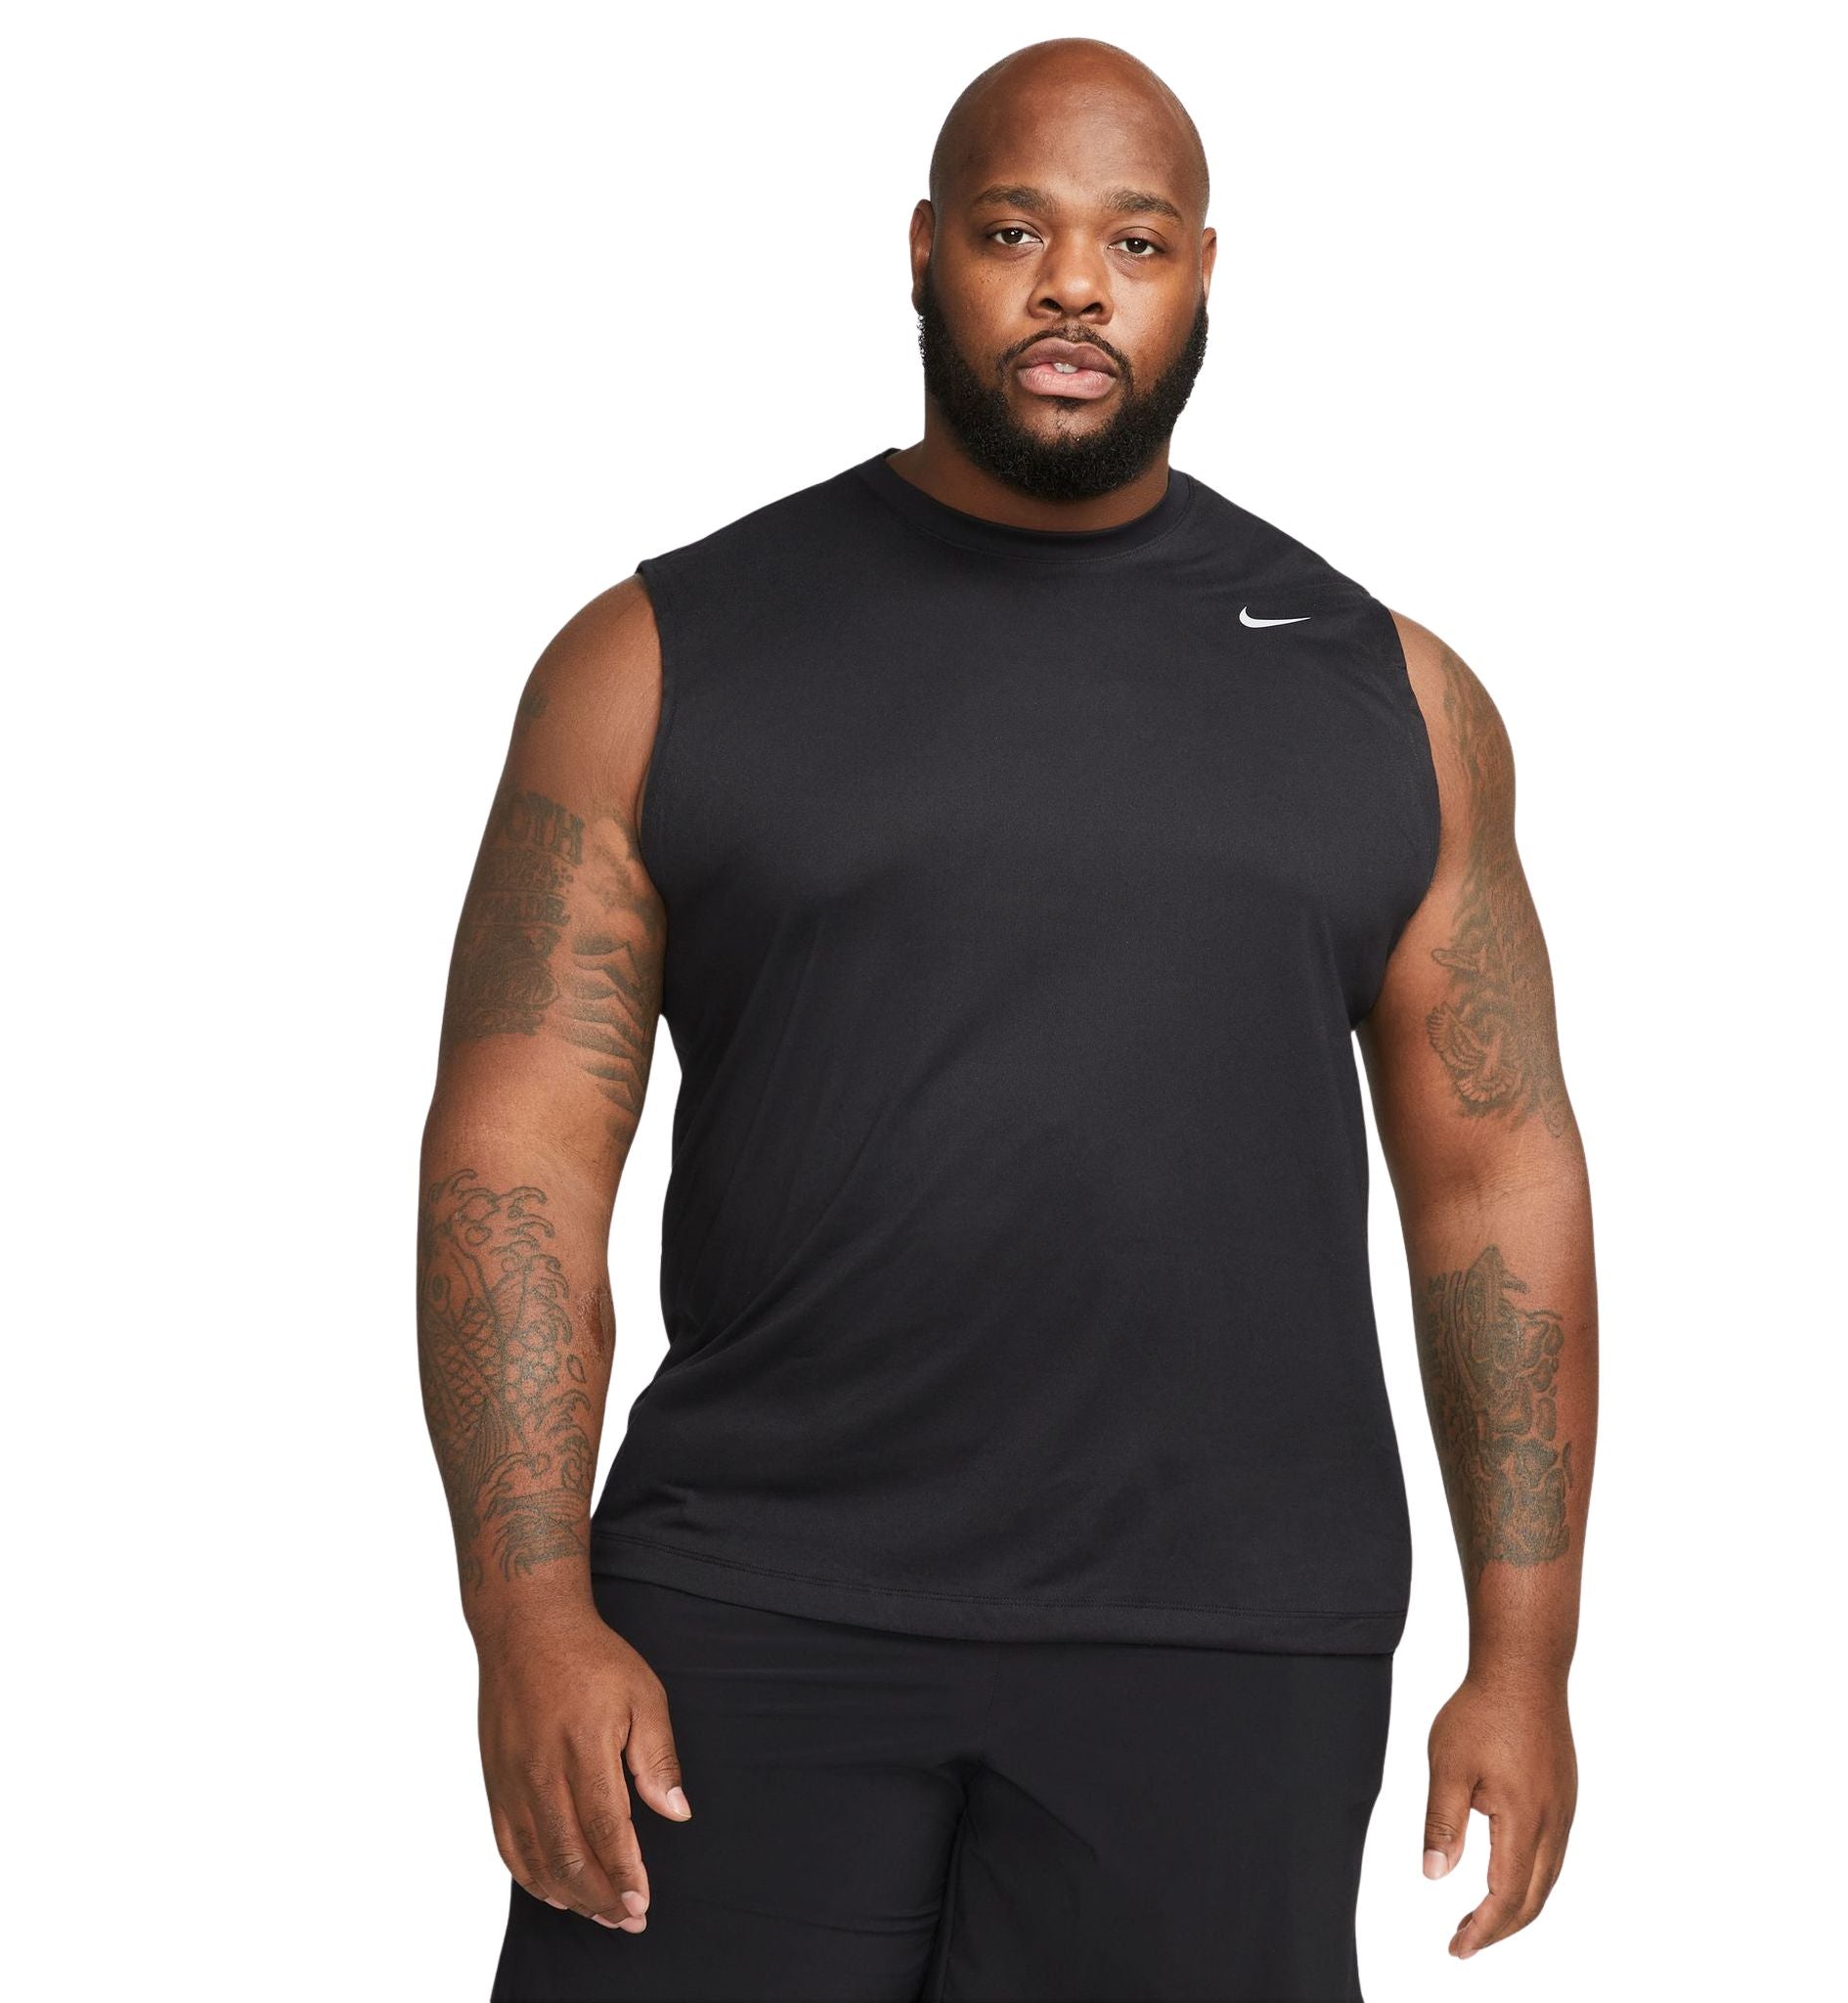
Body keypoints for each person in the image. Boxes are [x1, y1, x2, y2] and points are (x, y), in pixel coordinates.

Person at [417, 35, 1596, 2002]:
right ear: (921, 252)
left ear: (1201, 273)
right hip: (746, 1618)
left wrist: (1527, 1655)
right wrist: (525, 1613)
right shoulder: (656, 658)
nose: (1072, 286)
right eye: (1011, 231)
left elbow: (1494, 1175)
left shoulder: (1389, 696)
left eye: (1134, 241)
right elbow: (517, 1153)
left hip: (1226, 1648)